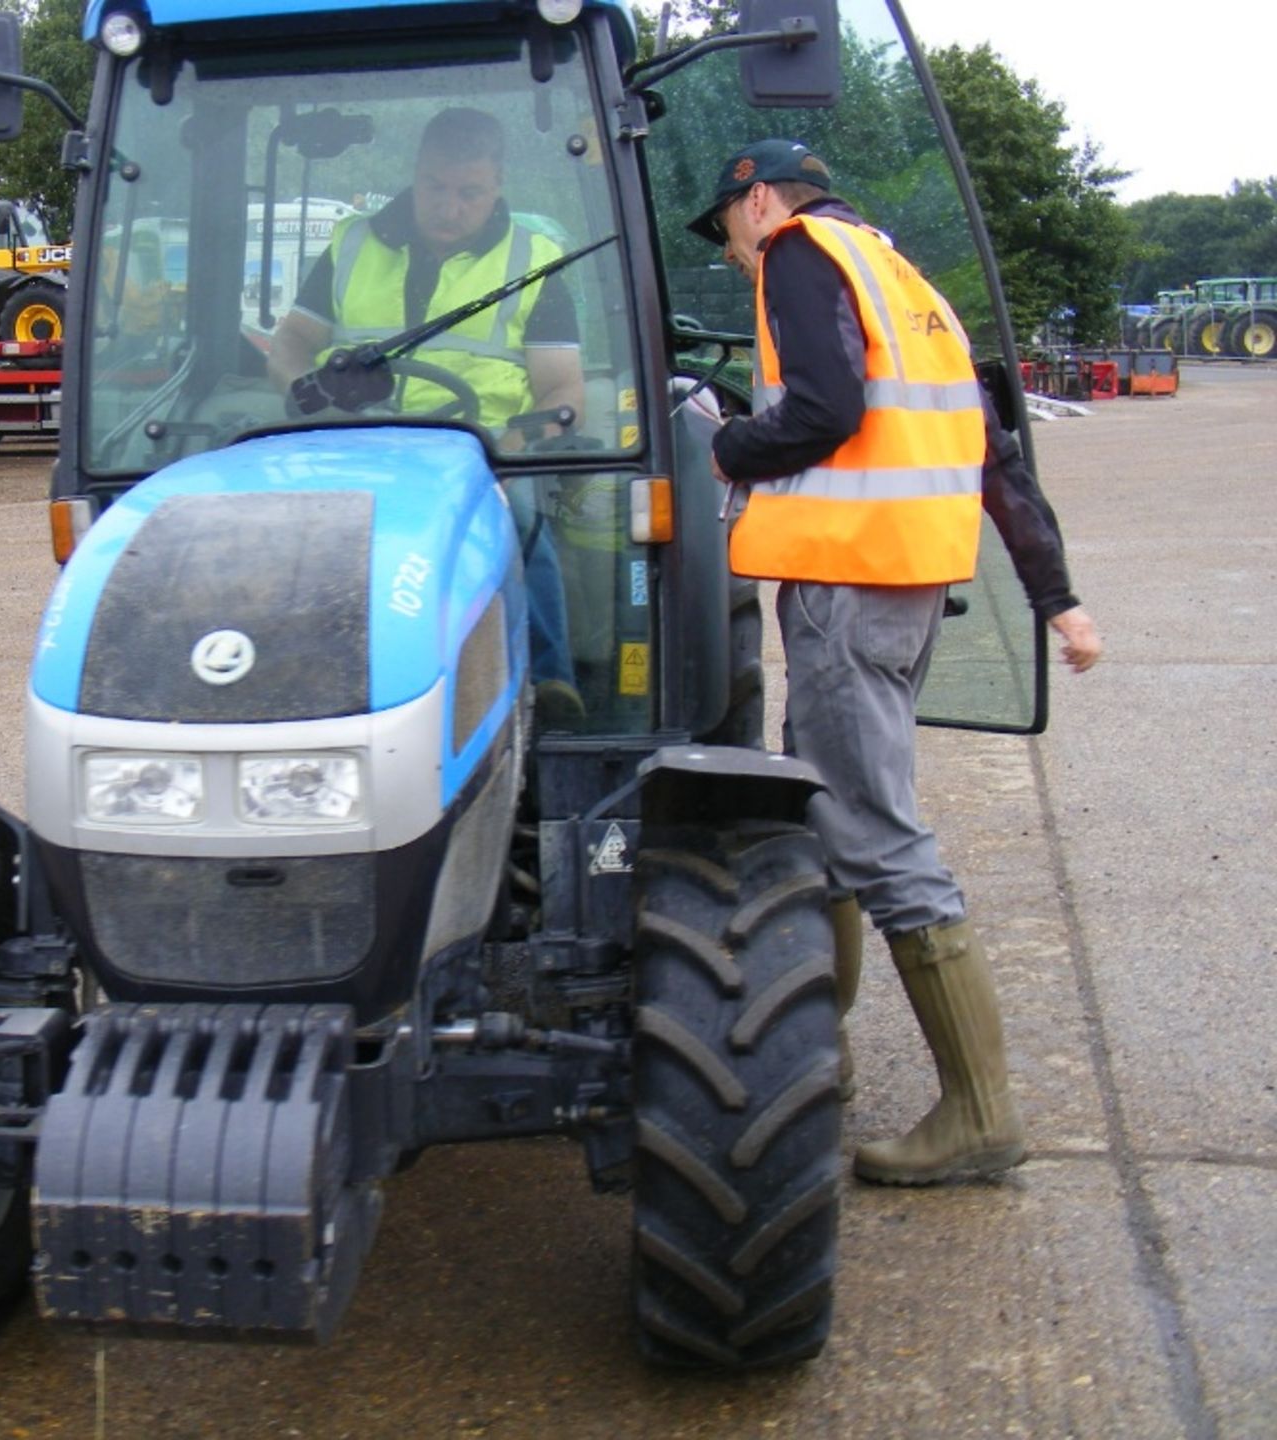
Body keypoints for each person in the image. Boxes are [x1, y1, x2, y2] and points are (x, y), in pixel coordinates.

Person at [687, 139, 1104, 1185]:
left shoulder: (799, 249)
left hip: (847, 587)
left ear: (761, 200)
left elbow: (827, 412)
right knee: (826, 814)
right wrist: (1057, 595)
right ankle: (810, 1059)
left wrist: (726, 447)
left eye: (730, 228)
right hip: (911, 589)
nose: (736, 255)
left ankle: (978, 1112)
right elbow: (991, 451)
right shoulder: (904, 277)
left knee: (872, 833)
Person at [269, 107, 588, 721]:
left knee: (520, 512)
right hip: (353, 442)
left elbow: (564, 391)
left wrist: (514, 448)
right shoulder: (352, 243)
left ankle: (551, 679)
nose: (450, 206)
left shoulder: (534, 260)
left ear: (498, 186)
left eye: (470, 192)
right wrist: (303, 392)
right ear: (416, 175)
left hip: (480, 455)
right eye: (436, 188)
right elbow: (289, 348)